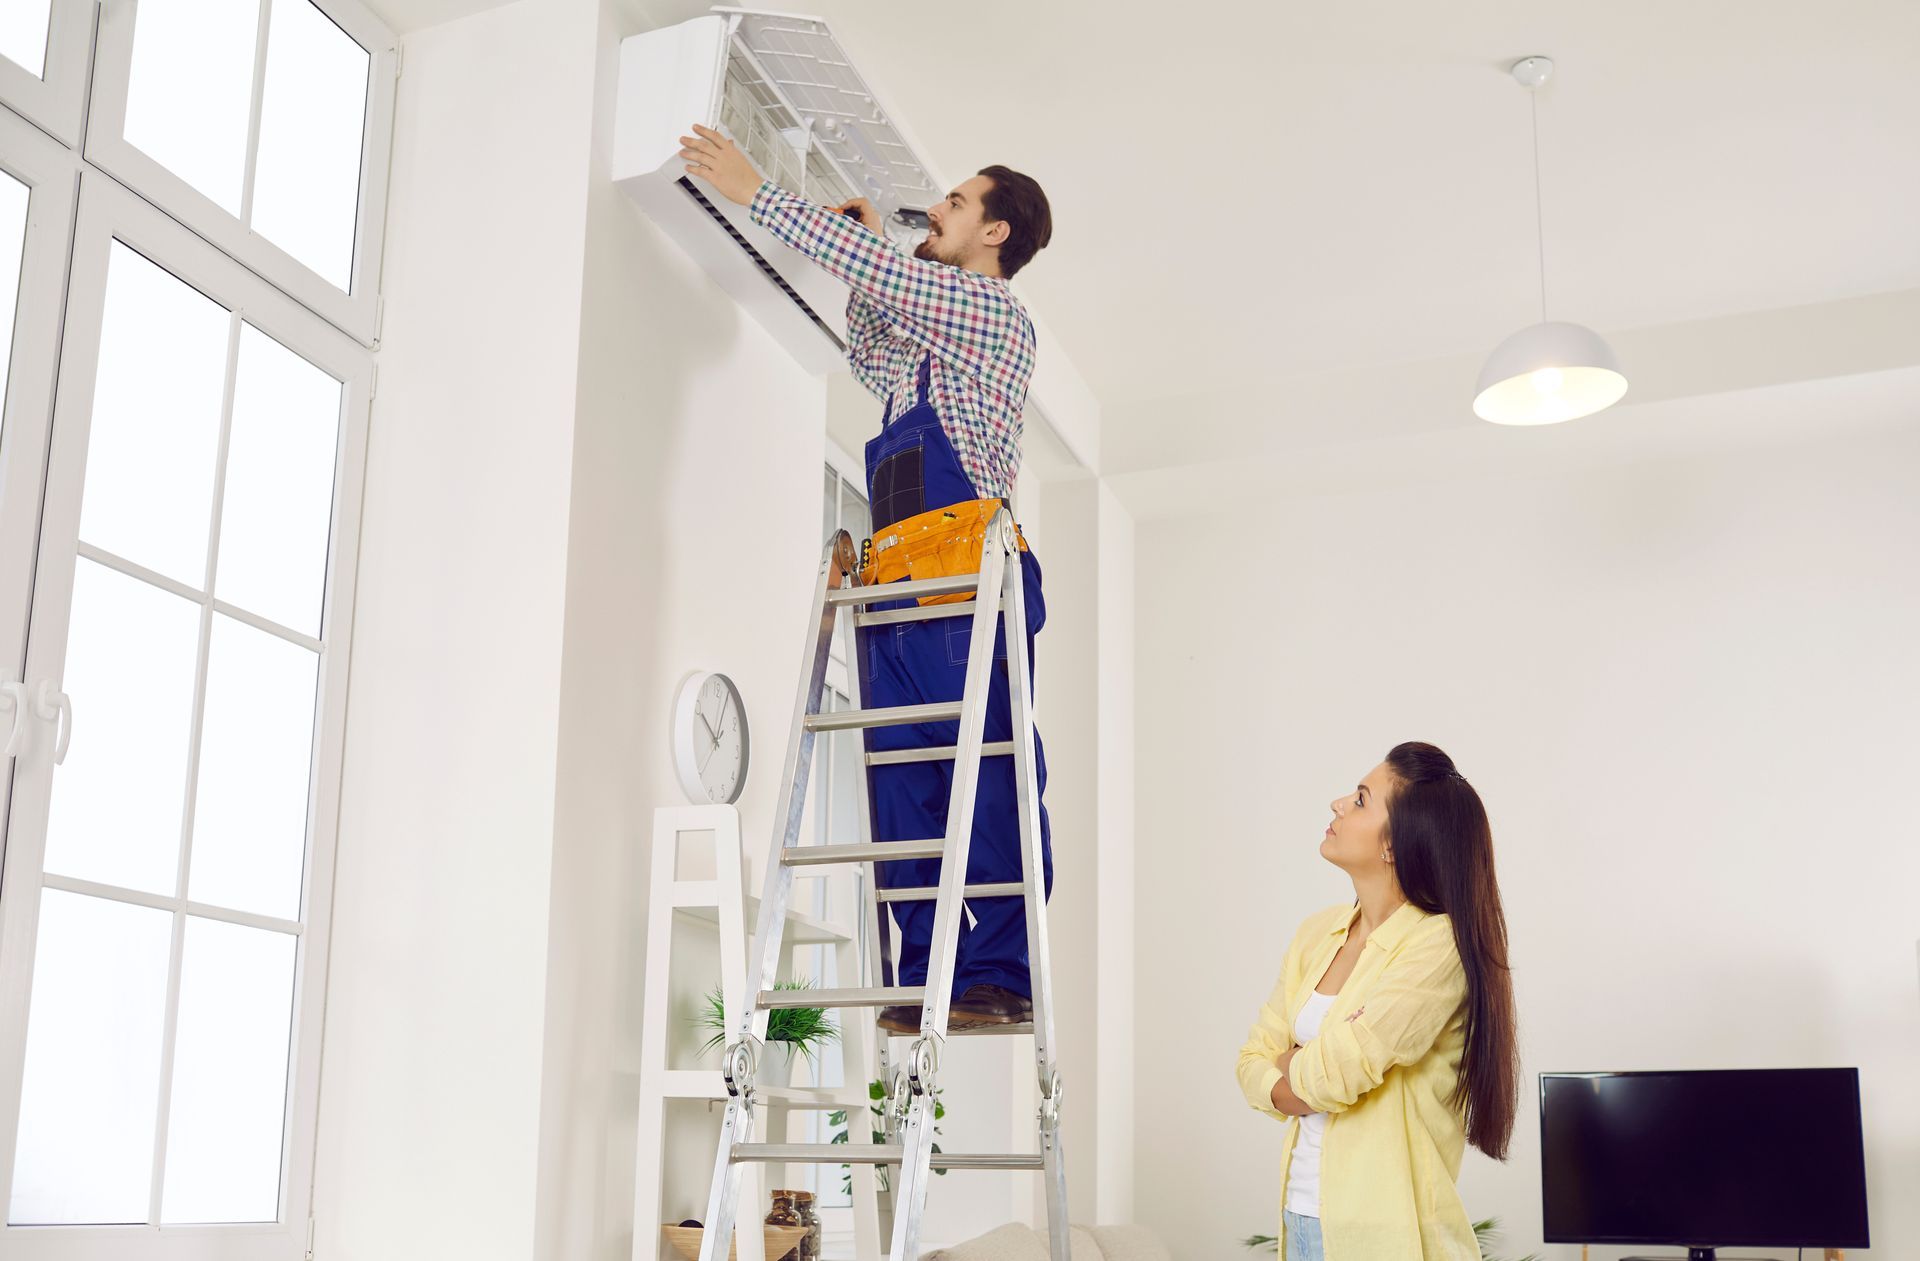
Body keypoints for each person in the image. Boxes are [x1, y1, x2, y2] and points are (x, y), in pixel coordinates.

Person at [678, 123, 1056, 1031]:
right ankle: (929, 973)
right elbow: (876, 344)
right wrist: (861, 260)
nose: (938, 210)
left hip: (973, 579)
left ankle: (1001, 973)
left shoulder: (996, 318)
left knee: (993, 768)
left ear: (996, 234)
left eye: (956, 204)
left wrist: (760, 191)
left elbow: (896, 280)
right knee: (902, 784)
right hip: (897, 588)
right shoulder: (929, 354)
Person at [1235, 743, 1519, 1260]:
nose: (1338, 803)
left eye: (1361, 800)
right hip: (1300, 1219)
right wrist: (1300, 1071)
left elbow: (1335, 1075)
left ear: (1394, 845)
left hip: (1387, 1237)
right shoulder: (1316, 934)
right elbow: (1252, 1062)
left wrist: (1289, 1068)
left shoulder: (1438, 944)